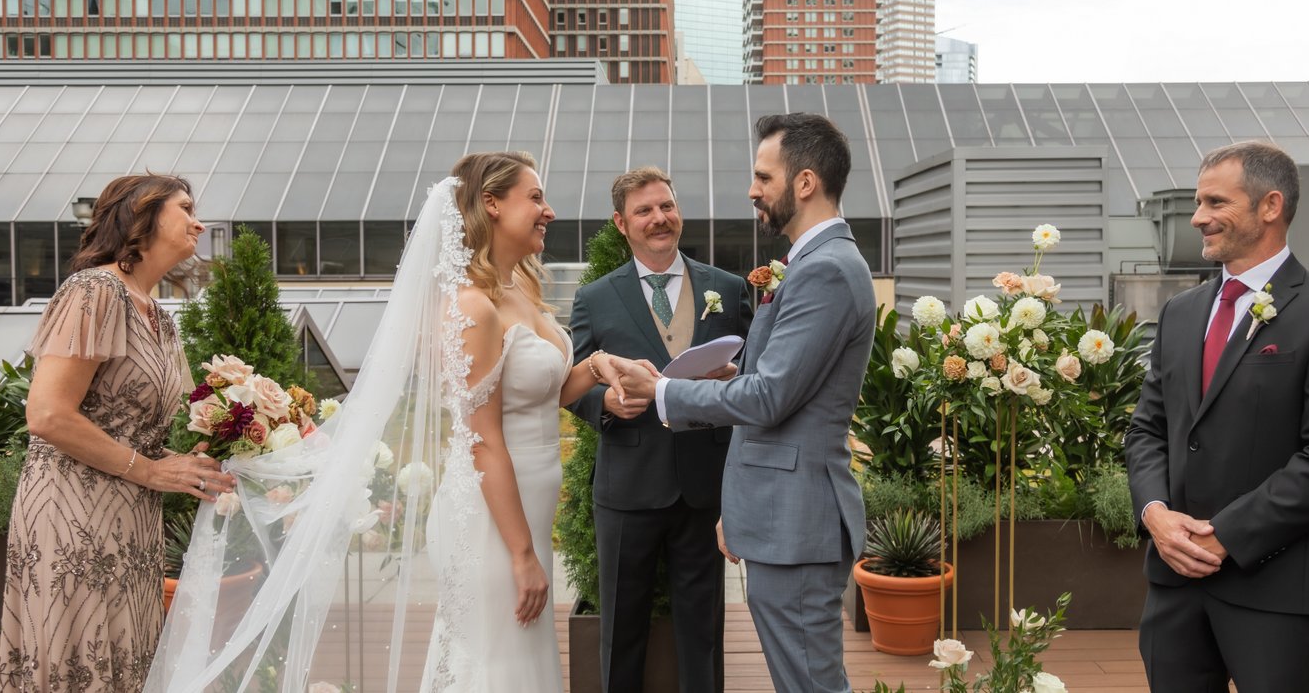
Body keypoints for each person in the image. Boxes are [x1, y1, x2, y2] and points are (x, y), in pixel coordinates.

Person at [146, 152, 620, 692]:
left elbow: (541, 395)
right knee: (495, 669)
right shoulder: (471, 306)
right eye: (535, 197)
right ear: (491, 204)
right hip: (491, 525)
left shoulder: (519, 289)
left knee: (521, 663)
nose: (548, 210)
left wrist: (596, 367)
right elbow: (483, 441)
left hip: (525, 512)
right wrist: (521, 555)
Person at [607, 113, 875, 693]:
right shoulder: (814, 262)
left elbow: (772, 398)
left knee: (810, 684)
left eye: (763, 176)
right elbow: (783, 384)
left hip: (798, 523)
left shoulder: (824, 269)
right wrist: (733, 373)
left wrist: (665, 390)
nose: (752, 190)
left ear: (804, 184)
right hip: (783, 518)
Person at [1126, 141, 1309, 693]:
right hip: (1174, 588)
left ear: (1270, 206)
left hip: (1280, 593)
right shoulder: (1181, 312)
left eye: (1216, 202)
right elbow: (1147, 429)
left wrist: (1227, 536)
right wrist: (1156, 513)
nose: (1197, 218)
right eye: (1198, 202)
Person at [0, 174, 235, 692]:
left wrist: (211, 465)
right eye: (186, 208)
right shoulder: (93, 291)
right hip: (71, 510)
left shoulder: (163, 320)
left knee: (129, 662)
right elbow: (47, 415)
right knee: (78, 661)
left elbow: (137, 432)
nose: (199, 222)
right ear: (141, 216)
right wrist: (151, 470)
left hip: (133, 517)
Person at [567, 166, 754, 693]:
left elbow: (756, 376)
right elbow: (574, 384)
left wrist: (733, 378)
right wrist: (603, 401)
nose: (659, 219)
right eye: (644, 211)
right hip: (627, 486)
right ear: (621, 223)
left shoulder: (728, 288)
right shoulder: (595, 298)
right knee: (621, 629)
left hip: (703, 487)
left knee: (705, 632)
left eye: (666, 206)